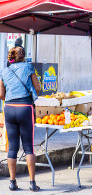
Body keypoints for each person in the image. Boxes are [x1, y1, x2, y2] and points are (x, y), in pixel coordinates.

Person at [0, 47, 41, 191]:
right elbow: (37, 87)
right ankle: (32, 183)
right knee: (29, 147)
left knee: (12, 148)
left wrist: (11, 100)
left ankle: (12, 182)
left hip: (9, 108)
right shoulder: (29, 67)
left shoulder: (4, 71)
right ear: (23, 56)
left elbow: (1, 94)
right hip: (25, 108)